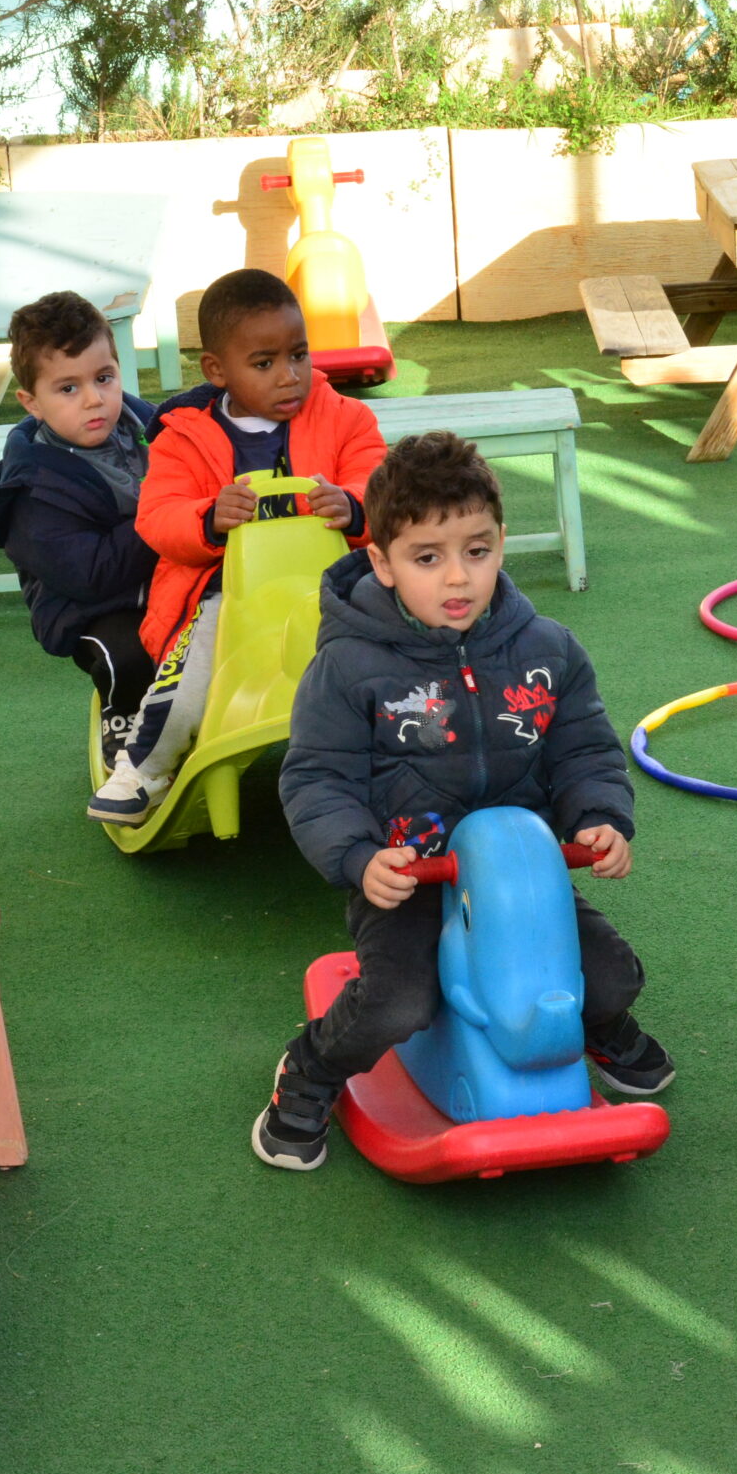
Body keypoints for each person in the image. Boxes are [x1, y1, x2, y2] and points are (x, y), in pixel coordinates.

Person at [253, 432, 672, 1171]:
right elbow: (317, 776)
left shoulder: (546, 647)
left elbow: (583, 746)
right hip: (409, 878)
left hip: (518, 880)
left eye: (477, 551)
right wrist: (358, 856)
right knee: (396, 1003)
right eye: (427, 557)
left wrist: (599, 816)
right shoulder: (350, 667)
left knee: (610, 976)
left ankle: (600, 1029)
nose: (458, 578)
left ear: (502, 542)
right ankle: (310, 1069)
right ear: (381, 562)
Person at [103, 268, 387, 824]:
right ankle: (144, 767)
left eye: (299, 355)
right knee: (194, 668)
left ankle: (419, 752)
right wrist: (208, 519)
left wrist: (355, 507)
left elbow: (381, 486)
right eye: (265, 364)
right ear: (218, 370)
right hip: (226, 595)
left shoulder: (345, 417)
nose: (290, 376)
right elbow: (157, 517)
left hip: (331, 586)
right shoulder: (183, 436)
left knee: (398, 642)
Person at [0, 291, 162, 776]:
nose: (94, 399)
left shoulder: (155, 427)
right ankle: (123, 718)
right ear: (33, 402)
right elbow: (91, 574)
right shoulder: (35, 489)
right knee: (129, 653)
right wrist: (164, 515)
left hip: (166, 576)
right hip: (90, 606)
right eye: (68, 388)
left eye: (104, 378)